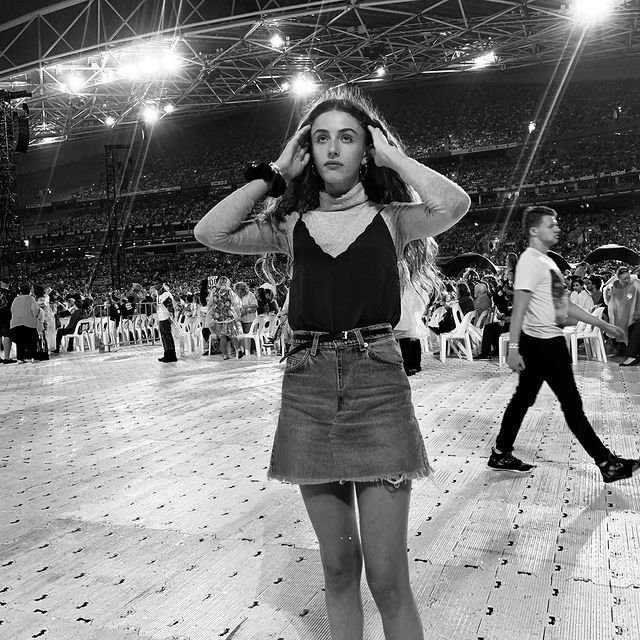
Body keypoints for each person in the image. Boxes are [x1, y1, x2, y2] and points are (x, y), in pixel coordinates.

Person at [194, 87, 470, 640]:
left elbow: (453, 205)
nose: (333, 148)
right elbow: (211, 232)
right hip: (309, 389)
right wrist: (274, 173)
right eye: (321, 139)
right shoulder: (289, 224)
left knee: (387, 578)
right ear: (308, 151)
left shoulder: (393, 218)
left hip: (377, 386)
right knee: (339, 567)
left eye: (348, 137)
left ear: (366, 149)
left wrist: (395, 158)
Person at [490, 205, 640, 484]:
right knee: (570, 404)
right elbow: (519, 307)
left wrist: (604, 325)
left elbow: (565, 305)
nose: (557, 228)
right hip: (541, 344)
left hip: (549, 342)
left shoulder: (547, 263)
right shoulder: (530, 261)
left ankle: (500, 452)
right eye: (551, 224)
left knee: (524, 399)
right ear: (534, 230)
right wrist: (513, 348)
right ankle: (606, 463)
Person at [604, 266, 640, 365]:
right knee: (627, 330)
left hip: (634, 313)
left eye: (628, 277)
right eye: (624, 279)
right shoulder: (612, 286)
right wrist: (608, 294)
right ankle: (631, 354)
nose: (627, 280)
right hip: (622, 315)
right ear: (618, 278)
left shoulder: (635, 282)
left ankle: (632, 355)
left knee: (633, 328)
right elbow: (608, 301)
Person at [10, 284, 43, 363]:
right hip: (28, 322)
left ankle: (20, 359)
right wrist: (37, 316)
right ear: (29, 291)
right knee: (32, 340)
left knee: (20, 342)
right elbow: (35, 309)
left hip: (16, 322)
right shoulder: (30, 298)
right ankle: (32, 357)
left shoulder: (16, 299)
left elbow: (12, 310)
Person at [153, 276, 178, 362]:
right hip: (161, 317)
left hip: (166, 318)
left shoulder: (165, 294)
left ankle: (172, 356)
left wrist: (171, 317)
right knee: (164, 337)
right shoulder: (158, 293)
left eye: (157, 284)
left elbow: (170, 307)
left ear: (161, 284)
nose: (155, 286)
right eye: (154, 284)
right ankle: (166, 354)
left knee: (168, 337)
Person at [0, 279, 17, 363]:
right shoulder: (12, 294)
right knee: (7, 336)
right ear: (9, 284)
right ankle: (7, 358)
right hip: (7, 317)